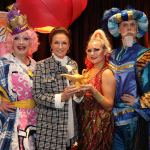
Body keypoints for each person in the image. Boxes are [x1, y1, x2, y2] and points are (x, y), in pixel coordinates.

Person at [103, 8, 150, 150]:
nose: (129, 28)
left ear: (137, 29)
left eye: (132, 25)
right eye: (124, 25)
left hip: (134, 119)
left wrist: (138, 102)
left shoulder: (145, 55)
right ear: (118, 29)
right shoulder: (111, 55)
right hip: (112, 120)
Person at [32, 27, 83, 150]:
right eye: (56, 42)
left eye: (64, 43)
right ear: (51, 45)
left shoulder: (73, 64)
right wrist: (61, 97)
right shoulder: (41, 66)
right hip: (49, 130)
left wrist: (79, 95)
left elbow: (76, 97)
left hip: (70, 125)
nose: (60, 46)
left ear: (69, 45)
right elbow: (37, 95)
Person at [0, 5, 39, 150]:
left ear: (31, 42)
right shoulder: (3, 63)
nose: (21, 42)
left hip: (36, 120)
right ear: (11, 41)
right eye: (17, 38)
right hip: (13, 120)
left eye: (25, 38)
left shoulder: (36, 65)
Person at [78, 29, 116, 150]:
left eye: (96, 50)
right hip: (85, 122)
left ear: (105, 51)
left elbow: (109, 105)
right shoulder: (87, 72)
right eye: (89, 50)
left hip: (100, 125)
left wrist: (93, 90)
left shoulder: (106, 73)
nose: (92, 54)